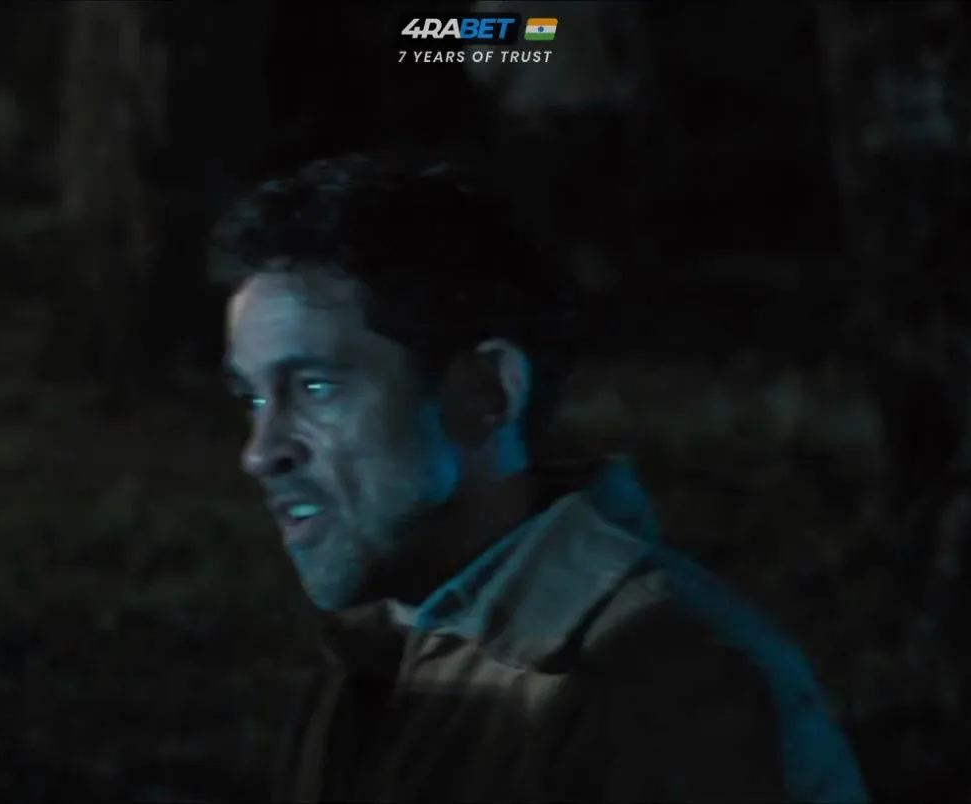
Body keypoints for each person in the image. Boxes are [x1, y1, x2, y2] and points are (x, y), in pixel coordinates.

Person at [210, 154, 868, 802]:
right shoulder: (375, 646)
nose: (260, 453)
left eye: (316, 388)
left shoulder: (661, 682)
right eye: (252, 398)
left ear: (487, 391)